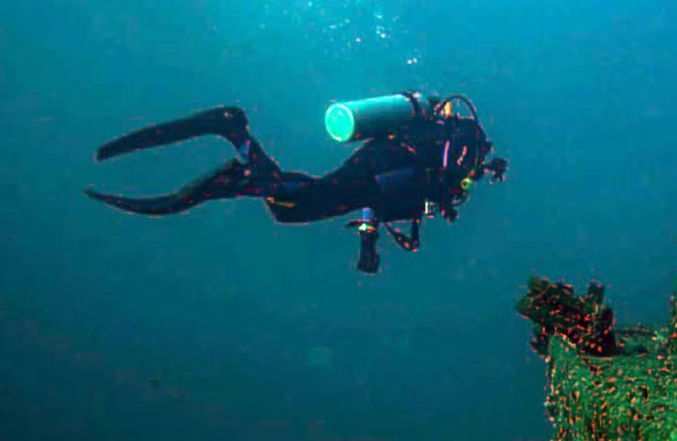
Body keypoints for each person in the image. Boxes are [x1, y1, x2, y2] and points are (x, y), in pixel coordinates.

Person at [85, 91, 507, 273]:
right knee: (299, 203)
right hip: (378, 172)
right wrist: (461, 180)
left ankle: (243, 168)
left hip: (376, 171)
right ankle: (235, 135)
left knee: (298, 203)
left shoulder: (444, 155)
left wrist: (368, 243)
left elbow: (378, 199)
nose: (469, 188)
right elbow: (384, 192)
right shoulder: (460, 149)